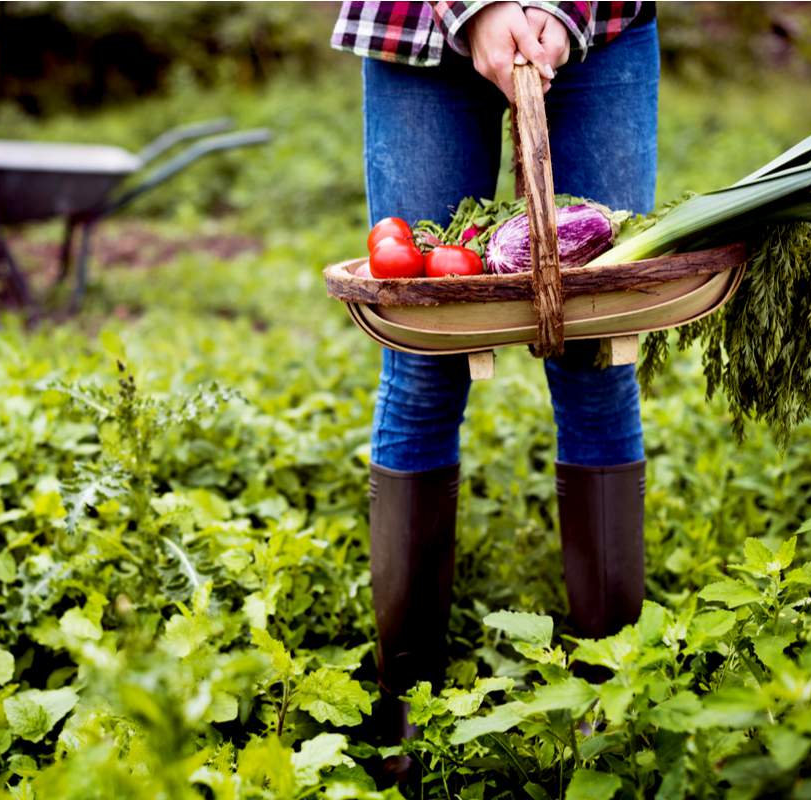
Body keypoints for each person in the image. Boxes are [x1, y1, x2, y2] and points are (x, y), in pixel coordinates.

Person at [330, 0, 660, 780]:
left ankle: (611, 698)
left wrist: (557, 9)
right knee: (425, 351)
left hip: (598, 25)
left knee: (597, 349)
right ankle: (409, 710)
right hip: (418, 25)